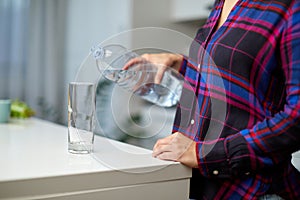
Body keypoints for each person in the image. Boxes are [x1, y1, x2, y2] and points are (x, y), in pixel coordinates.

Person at [124, 0, 300, 199]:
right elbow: (238, 71)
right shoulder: (221, 3)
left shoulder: (290, 6)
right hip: (200, 188)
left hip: (253, 191)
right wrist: (181, 64)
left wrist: (205, 154)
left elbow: (296, 118)